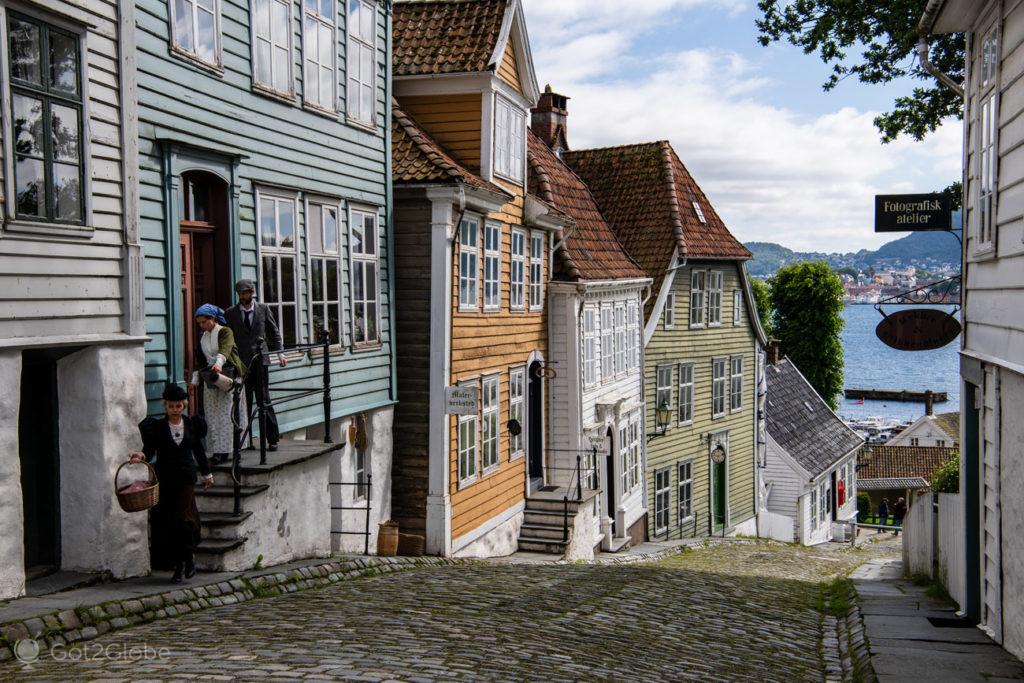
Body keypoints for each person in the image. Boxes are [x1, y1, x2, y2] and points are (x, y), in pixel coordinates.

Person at [129, 384, 213, 583]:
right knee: (169, 524)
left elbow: (199, 452)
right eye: (171, 407)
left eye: (178, 406)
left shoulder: (192, 425)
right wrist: (140, 455)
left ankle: (188, 558)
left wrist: (207, 473)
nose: (175, 410)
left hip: (185, 478)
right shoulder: (157, 427)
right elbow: (149, 450)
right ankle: (180, 565)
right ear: (165, 406)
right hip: (165, 478)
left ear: (183, 405)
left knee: (182, 519)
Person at [224, 279, 286, 452]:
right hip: (241, 363)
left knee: (263, 399)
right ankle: (246, 441)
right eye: (240, 293)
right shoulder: (230, 313)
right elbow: (227, 338)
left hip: (260, 361)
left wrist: (280, 353)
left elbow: (274, 333)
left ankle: (272, 439)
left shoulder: (263, 309)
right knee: (244, 402)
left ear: (252, 292)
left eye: (245, 293)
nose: (242, 296)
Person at [193, 304, 247, 464]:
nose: (202, 326)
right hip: (211, 378)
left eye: (204, 322)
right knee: (212, 415)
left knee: (226, 414)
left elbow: (225, 349)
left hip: (228, 375)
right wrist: (195, 380)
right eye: (200, 323)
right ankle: (216, 449)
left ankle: (227, 450)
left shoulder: (225, 331)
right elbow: (201, 360)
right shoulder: (203, 337)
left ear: (213, 319)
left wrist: (218, 364)